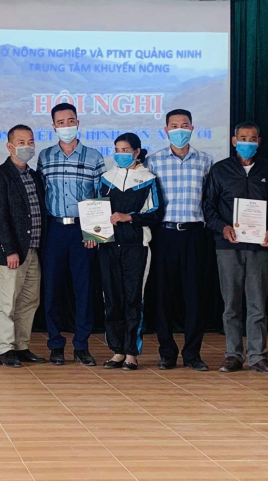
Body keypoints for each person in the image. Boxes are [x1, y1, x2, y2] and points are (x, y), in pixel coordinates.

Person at [202, 122, 268, 374]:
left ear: (259, 141)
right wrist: (222, 227)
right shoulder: (220, 170)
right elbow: (208, 207)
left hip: (260, 246)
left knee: (258, 304)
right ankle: (233, 355)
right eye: (242, 137)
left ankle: (258, 356)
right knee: (231, 304)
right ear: (233, 140)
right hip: (228, 245)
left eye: (252, 138)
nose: (247, 142)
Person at [144, 108, 214, 371]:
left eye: (184, 125)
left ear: (192, 128)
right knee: (163, 295)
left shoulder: (206, 161)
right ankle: (167, 352)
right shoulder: (153, 162)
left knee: (195, 295)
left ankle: (193, 353)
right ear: (166, 130)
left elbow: (210, 200)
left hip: (195, 234)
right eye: (174, 126)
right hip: (164, 234)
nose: (179, 130)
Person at [37, 103, 105, 365]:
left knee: (83, 290)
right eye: (61, 122)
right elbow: (40, 193)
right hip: (53, 229)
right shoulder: (45, 156)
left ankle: (81, 345)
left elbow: (99, 196)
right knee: (52, 290)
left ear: (78, 122)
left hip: (82, 231)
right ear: (53, 126)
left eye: (70, 121)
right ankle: (55, 344)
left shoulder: (94, 157)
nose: (66, 126)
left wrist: (94, 233)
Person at [97, 134, 165, 371]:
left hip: (136, 246)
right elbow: (96, 210)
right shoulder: (106, 178)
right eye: (117, 149)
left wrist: (130, 217)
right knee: (112, 298)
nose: (120, 154)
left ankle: (131, 353)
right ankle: (116, 350)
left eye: (125, 150)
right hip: (108, 246)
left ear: (137, 152)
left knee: (133, 298)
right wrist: (93, 233)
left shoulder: (148, 179)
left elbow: (156, 212)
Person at [0, 125, 48, 368]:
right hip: (12, 252)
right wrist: (9, 250)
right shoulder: (0, 175)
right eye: (21, 142)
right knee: (6, 303)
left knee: (29, 301)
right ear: (9, 146)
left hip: (33, 249)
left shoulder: (34, 175)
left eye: (31, 141)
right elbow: (0, 215)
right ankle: (5, 349)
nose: (27, 146)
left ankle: (22, 346)